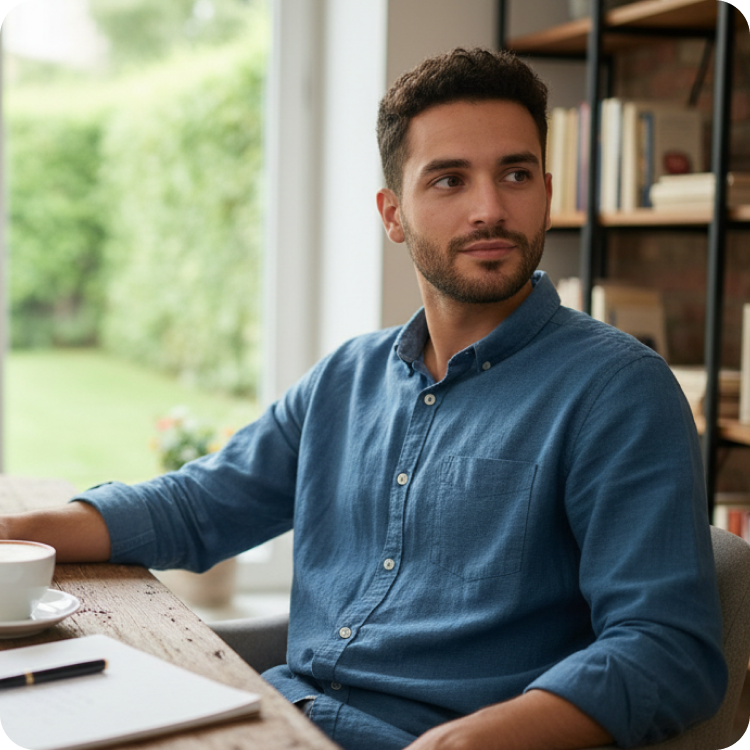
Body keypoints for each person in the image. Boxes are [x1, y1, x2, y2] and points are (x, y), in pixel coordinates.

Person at [0, 48, 727, 750]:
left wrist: (468, 742)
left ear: (546, 190)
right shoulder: (345, 376)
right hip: (276, 716)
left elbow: (668, 649)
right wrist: (19, 530)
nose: (489, 209)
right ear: (392, 214)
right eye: (449, 180)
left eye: (515, 174)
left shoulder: (617, 389)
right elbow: (199, 506)